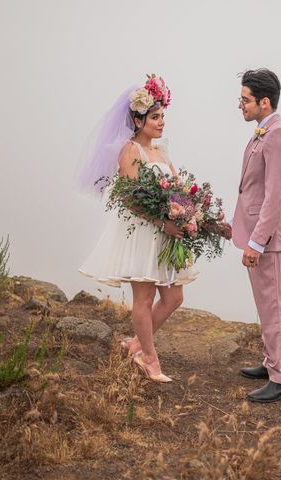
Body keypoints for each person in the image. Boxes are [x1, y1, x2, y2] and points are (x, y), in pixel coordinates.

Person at [76, 75, 198, 383]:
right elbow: (130, 199)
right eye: (155, 117)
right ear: (137, 119)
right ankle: (149, 358)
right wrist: (163, 222)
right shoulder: (130, 151)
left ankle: (135, 343)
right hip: (144, 233)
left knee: (174, 298)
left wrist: (190, 213)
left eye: (162, 117)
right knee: (143, 299)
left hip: (165, 234)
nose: (161, 123)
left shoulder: (161, 152)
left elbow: (178, 189)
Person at [232, 68, 281, 402]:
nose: (240, 105)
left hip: (272, 241)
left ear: (264, 101)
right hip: (261, 237)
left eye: (245, 100)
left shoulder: (279, 136)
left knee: (276, 306)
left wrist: (257, 243)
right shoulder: (265, 132)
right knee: (267, 304)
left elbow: (277, 196)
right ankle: (273, 361)